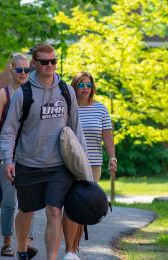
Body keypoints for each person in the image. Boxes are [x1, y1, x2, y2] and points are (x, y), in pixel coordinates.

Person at [0, 44, 86, 260]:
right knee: (26, 210)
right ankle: (21, 249)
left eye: (53, 61)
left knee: (54, 211)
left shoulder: (66, 91)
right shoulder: (23, 93)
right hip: (28, 162)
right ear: (34, 64)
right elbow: (9, 130)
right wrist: (8, 160)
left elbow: (76, 128)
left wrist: (83, 166)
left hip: (59, 165)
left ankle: (52, 257)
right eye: (45, 62)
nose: (50, 65)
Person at [62, 72, 118, 260]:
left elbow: (107, 135)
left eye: (88, 85)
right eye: (81, 85)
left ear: (93, 87)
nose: (85, 88)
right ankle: (69, 250)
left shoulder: (101, 109)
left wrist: (112, 157)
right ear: (74, 87)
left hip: (93, 164)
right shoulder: (68, 108)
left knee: (84, 205)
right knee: (71, 204)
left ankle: (75, 249)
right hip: (70, 163)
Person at [0, 53, 37, 257]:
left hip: (30, 156)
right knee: (9, 201)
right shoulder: (4, 94)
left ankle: (26, 242)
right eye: (20, 70)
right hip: (7, 154)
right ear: (12, 70)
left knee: (29, 201)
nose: (24, 73)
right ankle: (7, 241)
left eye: (27, 70)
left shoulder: (35, 93)